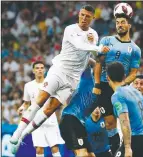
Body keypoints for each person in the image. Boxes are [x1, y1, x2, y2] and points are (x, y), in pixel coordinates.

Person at [10, 4, 110, 148]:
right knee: (40, 100)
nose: (84, 18)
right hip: (59, 71)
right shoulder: (70, 29)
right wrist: (98, 48)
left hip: (73, 80)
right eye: (82, 15)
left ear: (93, 18)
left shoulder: (94, 34)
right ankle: (17, 133)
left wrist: (96, 58)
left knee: (49, 110)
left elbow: (89, 54)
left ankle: (23, 137)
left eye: (87, 16)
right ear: (79, 14)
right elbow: (79, 45)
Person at [93, 5, 141, 154]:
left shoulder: (135, 49)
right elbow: (98, 63)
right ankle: (114, 151)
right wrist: (97, 84)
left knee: (123, 121)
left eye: (123, 22)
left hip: (120, 88)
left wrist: (123, 83)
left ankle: (126, 149)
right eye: (118, 22)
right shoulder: (107, 40)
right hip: (104, 86)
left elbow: (134, 73)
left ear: (129, 25)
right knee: (109, 122)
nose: (120, 25)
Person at [15, 61, 64, 157]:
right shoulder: (28, 86)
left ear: (44, 70)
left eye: (41, 68)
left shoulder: (51, 83)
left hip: (50, 119)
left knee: (55, 148)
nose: (40, 70)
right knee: (39, 149)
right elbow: (26, 103)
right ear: (33, 71)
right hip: (35, 121)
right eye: (37, 68)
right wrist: (22, 107)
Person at [107, 62, 143, 157]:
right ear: (124, 77)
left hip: (134, 141)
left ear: (107, 77)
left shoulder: (117, 95)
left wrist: (128, 148)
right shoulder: (135, 91)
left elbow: (125, 121)